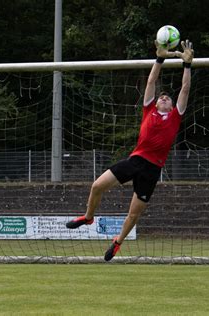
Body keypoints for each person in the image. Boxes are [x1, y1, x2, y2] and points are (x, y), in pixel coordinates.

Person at [66, 39, 194, 261]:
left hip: (152, 170)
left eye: (167, 98)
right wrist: (160, 57)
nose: (163, 97)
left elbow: (185, 88)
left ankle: (117, 242)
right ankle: (88, 217)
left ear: (173, 107)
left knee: (134, 214)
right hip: (135, 160)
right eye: (161, 97)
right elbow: (152, 80)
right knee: (97, 186)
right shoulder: (148, 110)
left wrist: (187, 64)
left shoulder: (175, 117)